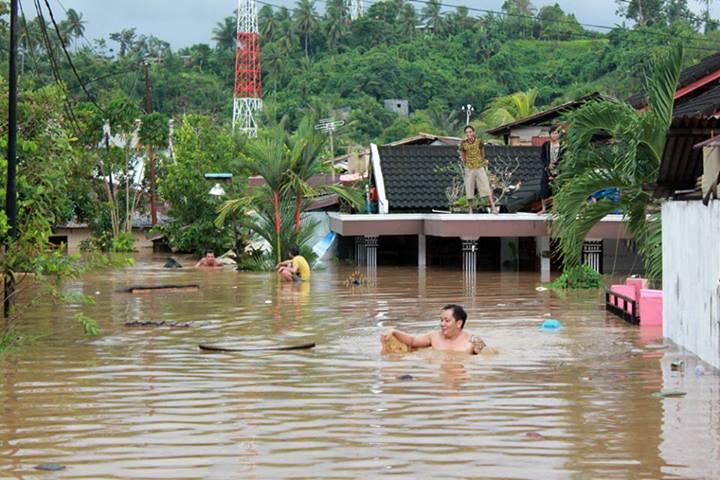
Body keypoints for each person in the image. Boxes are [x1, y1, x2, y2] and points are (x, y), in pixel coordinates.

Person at [380, 304, 486, 355]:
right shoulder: (434, 337)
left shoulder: (474, 340)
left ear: (458, 323)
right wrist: (394, 332)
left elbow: (488, 357)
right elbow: (413, 341)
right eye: (441, 320)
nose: (442, 324)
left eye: (446, 320)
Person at [459, 125, 498, 214]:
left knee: (486, 186)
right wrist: (466, 164)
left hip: (479, 167)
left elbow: (482, 153)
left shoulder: (479, 142)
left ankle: (493, 207)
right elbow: (463, 155)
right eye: (466, 132)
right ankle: (470, 210)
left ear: (473, 132)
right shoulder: (463, 144)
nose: (468, 134)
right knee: (469, 188)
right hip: (469, 168)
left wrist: (482, 161)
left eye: (470, 132)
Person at [540, 125, 562, 214]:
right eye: (553, 133)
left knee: (557, 190)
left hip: (559, 170)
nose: (554, 135)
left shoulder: (562, 146)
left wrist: (556, 165)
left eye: (556, 133)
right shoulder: (546, 145)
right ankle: (544, 208)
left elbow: (564, 158)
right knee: (544, 189)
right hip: (547, 170)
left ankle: (555, 209)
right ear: (550, 135)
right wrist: (548, 164)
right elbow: (542, 157)